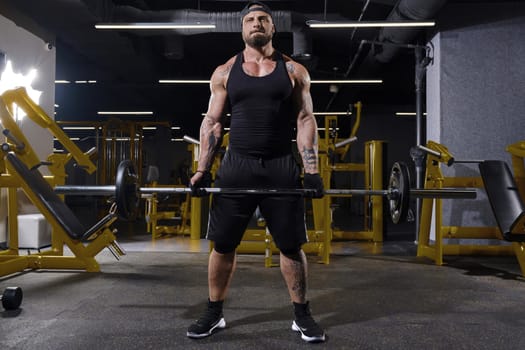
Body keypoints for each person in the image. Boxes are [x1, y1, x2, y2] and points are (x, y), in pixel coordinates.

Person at [187, 1, 326, 343]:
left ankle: (301, 314)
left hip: (281, 166)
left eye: (263, 18)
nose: (256, 23)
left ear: (273, 28)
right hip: (237, 166)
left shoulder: (294, 71)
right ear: (242, 29)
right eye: (250, 19)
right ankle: (214, 312)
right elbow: (213, 122)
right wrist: (202, 169)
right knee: (223, 244)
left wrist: (312, 170)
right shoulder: (224, 71)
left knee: (291, 246)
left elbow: (305, 119)